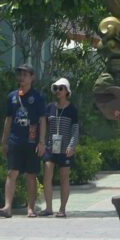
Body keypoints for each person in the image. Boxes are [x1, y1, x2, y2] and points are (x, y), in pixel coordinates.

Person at [0, 63, 47, 218]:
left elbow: (42, 120)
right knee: (12, 172)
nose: (22, 77)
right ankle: (7, 207)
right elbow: (8, 119)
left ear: (32, 77)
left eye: (25, 74)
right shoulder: (12, 96)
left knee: (31, 175)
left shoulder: (38, 97)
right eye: (20, 74)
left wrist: (42, 142)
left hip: (32, 141)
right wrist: (4, 141)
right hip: (15, 140)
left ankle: (30, 208)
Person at [40, 77, 79, 218]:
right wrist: (42, 143)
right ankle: (48, 207)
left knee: (64, 178)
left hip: (65, 149)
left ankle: (62, 209)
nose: (58, 91)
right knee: (47, 176)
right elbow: (44, 126)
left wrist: (72, 146)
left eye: (61, 88)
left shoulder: (72, 109)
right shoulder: (49, 108)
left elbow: (75, 130)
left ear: (67, 91)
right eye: (56, 88)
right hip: (51, 147)